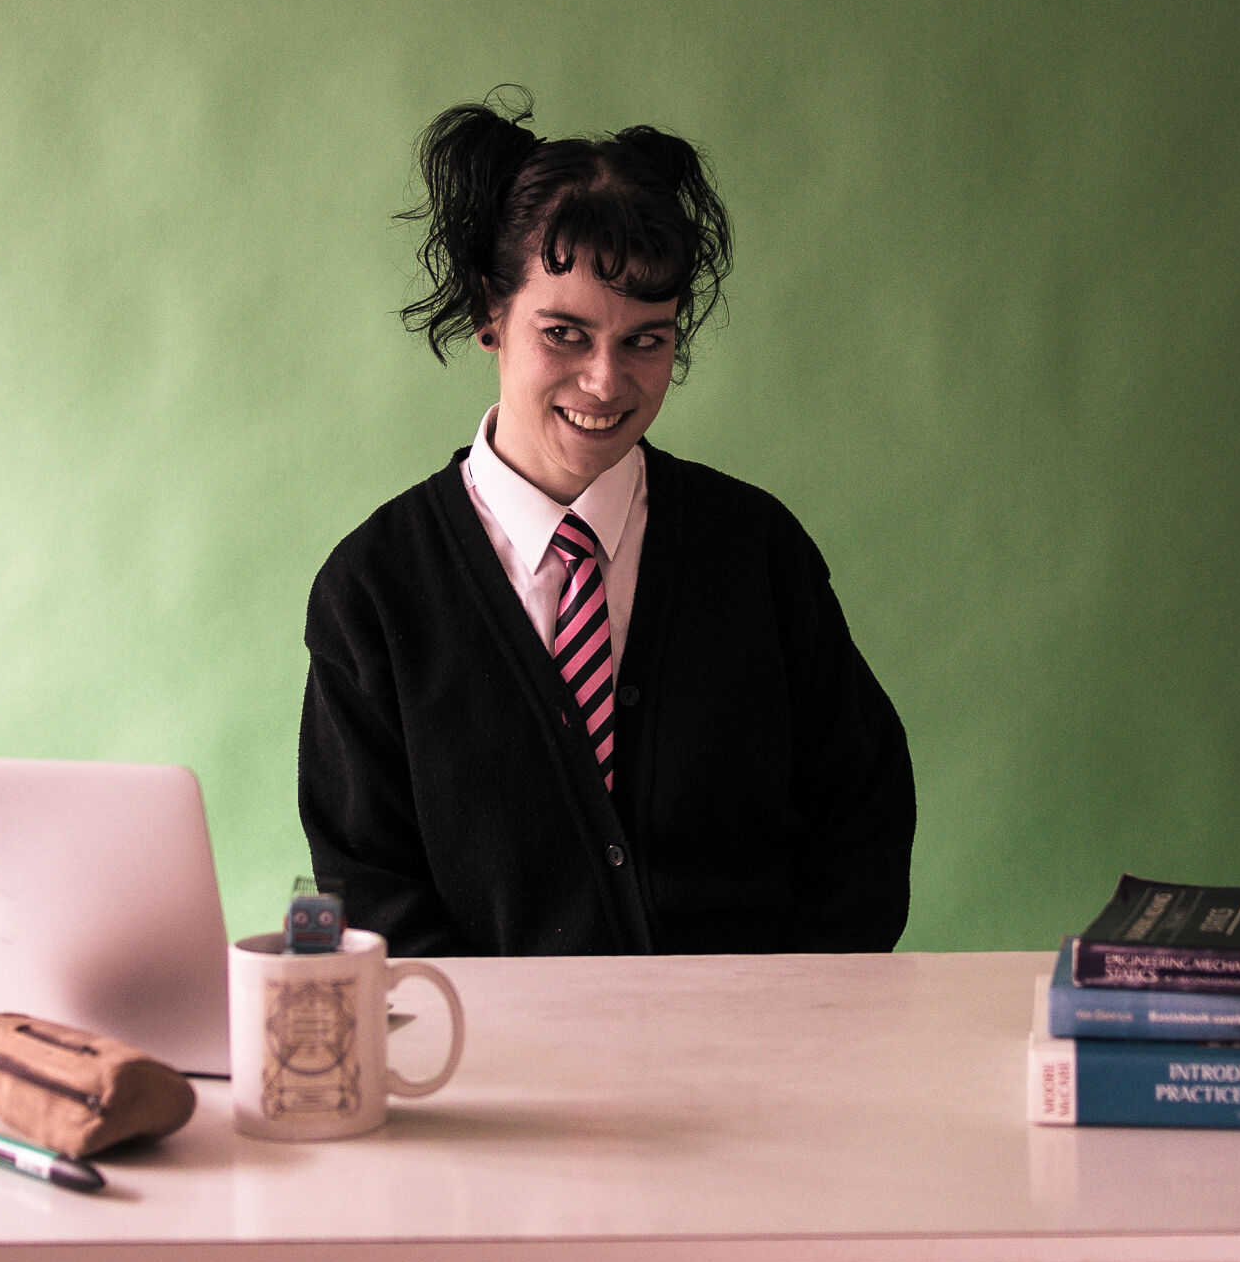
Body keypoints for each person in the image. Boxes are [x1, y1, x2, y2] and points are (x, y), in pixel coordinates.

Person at [297, 90, 915, 955]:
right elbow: (369, 887)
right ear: (487, 312)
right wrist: (506, 1032)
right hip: (491, 1043)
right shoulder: (375, 589)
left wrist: (788, 1006)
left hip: (759, 1036)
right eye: (565, 333)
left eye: (645, 341)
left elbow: (862, 816)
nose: (605, 382)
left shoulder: (755, 550)